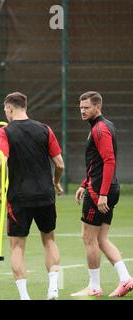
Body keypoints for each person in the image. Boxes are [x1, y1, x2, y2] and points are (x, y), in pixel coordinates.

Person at [0, 92, 64, 300]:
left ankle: (25, 296)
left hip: (19, 196)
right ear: (25, 106)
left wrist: (1, 186)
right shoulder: (45, 129)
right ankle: (53, 288)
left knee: (17, 246)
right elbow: (60, 163)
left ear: (9, 108)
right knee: (49, 240)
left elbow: (1, 162)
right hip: (45, 194)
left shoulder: (4, 131)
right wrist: (56, 182)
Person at [71, 91, 133, 297]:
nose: (82, 111)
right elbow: (95, 162)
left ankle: (94, 286)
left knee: (88, 238)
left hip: (100, 191)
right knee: (101, 239)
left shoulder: (100, 129)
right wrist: (83, 183)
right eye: (80, 107)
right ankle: (125, 279)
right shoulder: (100, 127)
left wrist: (102, 194)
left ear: (98, 107)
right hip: (101, 187)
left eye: (86, 107)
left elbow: (109, 161)